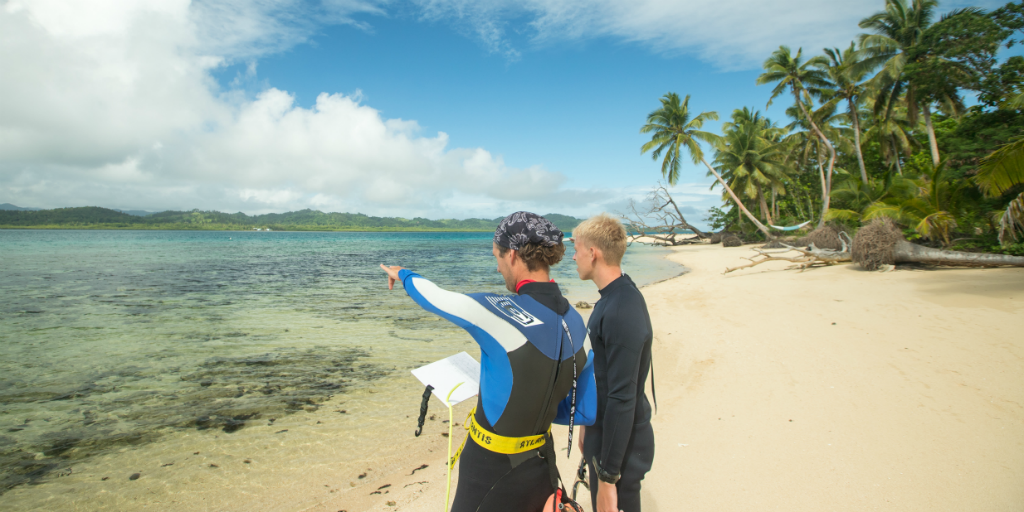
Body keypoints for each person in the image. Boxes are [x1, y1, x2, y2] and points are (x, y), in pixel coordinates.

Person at [380, 211, 596, 512]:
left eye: (496, 256)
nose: (497, 268)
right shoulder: (579, 325)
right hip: (542, 471)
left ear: (512, 254)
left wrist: (402, 274)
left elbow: (434, 297)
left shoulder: (498, 311)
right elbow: (585, 410)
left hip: (490, 474)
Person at [572, 214, 655, 512]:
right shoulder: (616, 295)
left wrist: (608, 477)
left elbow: (623, 395)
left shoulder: (621, 309)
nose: (573, 256)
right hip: (606, 432)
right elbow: (602, 374)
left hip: (622, 445)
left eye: (576, 248)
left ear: (593, 253)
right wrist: (586, 424)